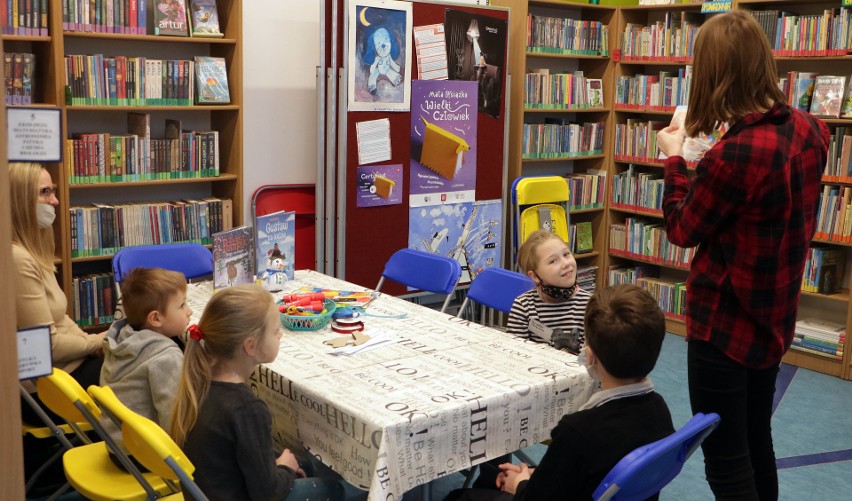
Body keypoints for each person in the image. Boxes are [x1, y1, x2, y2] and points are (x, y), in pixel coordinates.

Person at [656, 10, 830, 501]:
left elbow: (682, 229)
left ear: (714, 74)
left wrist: (674, 156)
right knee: (757, 439)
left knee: (726, 459)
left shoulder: (734, 155)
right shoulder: (810, 128)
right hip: (774, 317)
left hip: (724, 326)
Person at [445, 284, 675, 501]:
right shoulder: (660, 409)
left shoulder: (578, 430)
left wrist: (519, 484)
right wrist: (535, 476)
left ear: (590, 357)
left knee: (457, 497)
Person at [169, 284, 345, 501]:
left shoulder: (198, 383)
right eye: (275, 330)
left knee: (301, 462)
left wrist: (279, 466)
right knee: (335, 488)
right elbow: (267, 493)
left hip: (210, 492)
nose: (280, 334)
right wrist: (285, 469)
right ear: (250, 346)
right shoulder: (246, 409)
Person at [11, 162, 106, 424]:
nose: (54, 200)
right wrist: (96, 342)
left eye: (52, 191)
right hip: (48, 391)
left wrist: (91, 342)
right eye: (44, 192)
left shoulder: (35, 248)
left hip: (69, 369)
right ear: (18, 201)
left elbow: (61, 320)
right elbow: (47, 346)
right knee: (153, 363)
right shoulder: (16, 258)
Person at [100, 267, 190, 467]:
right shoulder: (166, 357)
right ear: (156, 318)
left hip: (118, 447)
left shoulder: (122, 339)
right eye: (182, 305)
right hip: (145, 456)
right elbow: (173, 420)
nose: (189, 311)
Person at [507, 229, 591, 354]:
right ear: (535, 276)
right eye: (553, 261)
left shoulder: (590, 305)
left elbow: (591, 362)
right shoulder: (524, 305)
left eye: (566, 254)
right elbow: (514, 353)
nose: (566, 263)